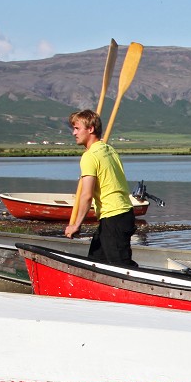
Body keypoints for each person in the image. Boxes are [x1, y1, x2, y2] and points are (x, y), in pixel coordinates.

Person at [65, 108, 135, 266]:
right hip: (123, 213)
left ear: (90, 129)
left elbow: (87, 196)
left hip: (114, 216)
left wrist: (76, 224)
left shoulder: (89, 157)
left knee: (122, 268)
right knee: (95, 261)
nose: (74, 133)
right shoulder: (108, 149)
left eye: (77, 128)